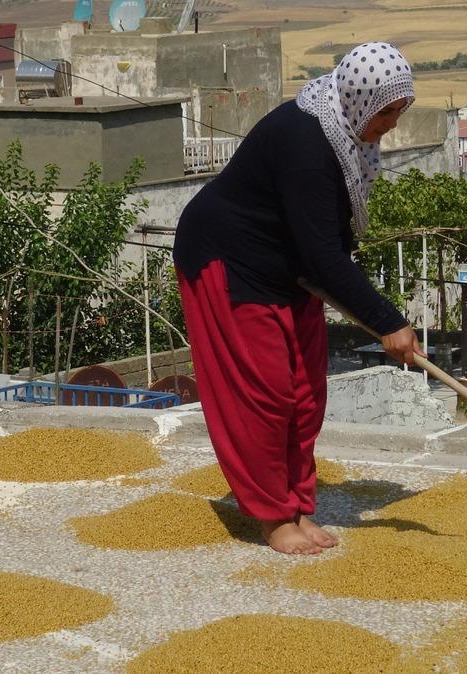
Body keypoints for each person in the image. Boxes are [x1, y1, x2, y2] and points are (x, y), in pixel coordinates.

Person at [173, 43, 425, 555]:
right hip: (231, 263)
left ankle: (296, 503)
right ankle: (273, 517)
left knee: (307, 395)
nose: (392, 124)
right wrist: (387, 322)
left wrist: (373, 313)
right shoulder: (308, 143)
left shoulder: (347, 133)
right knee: (265, 395)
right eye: (387, 112)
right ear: (360, 98)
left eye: (400, 111)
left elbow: (325, 243)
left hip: (290, 271)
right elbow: (324, 255)